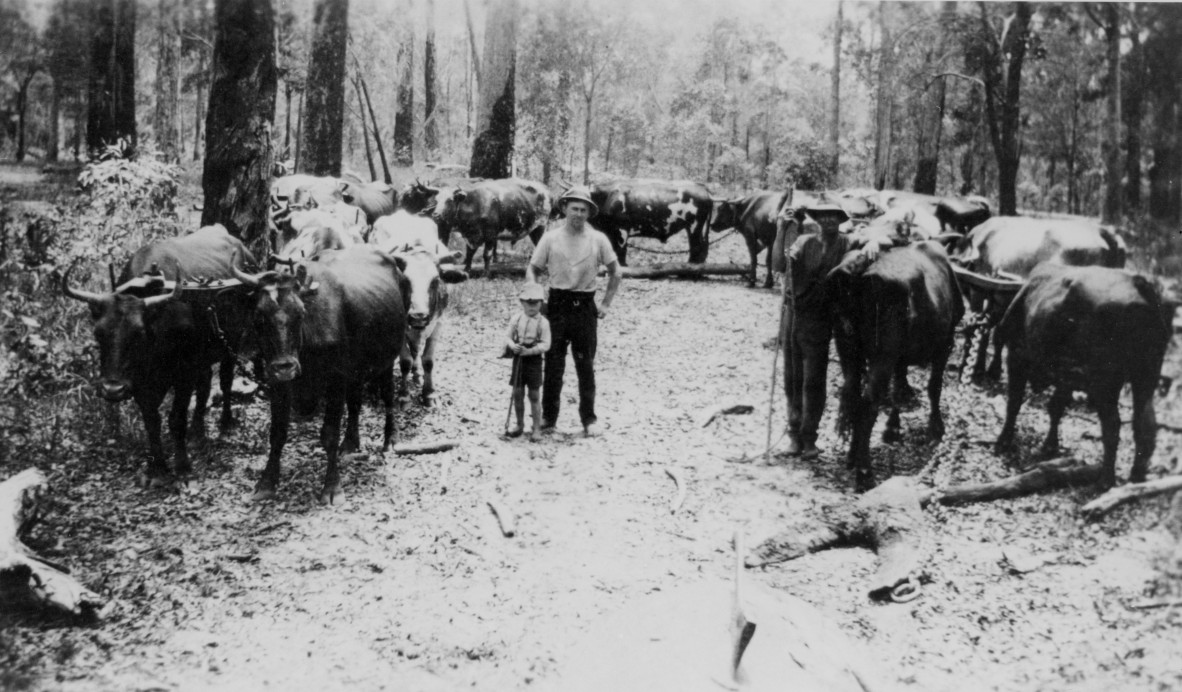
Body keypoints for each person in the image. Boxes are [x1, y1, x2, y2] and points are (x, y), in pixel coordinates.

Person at [771, 203, 879, 460]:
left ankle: (810, 438)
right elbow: (779, 264)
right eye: (824, 216)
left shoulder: (847, 242)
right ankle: (794, 436)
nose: (829, 220)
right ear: (817, 220)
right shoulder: (803, 242)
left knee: (813, 380)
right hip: (794, 314)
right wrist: (781, 229)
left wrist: (873, 242)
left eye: (834, 216)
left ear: (841, 220)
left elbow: (874, 239)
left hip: (820, 318)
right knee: (791, 379)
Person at [526, 186, 622, 437]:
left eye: (583, 210)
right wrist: (535, 296)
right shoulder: (550, 238)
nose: (578, 214)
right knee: (553, 364)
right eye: (574, 208)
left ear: (589, 212)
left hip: (585, 308)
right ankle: (548, 417)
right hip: (556, 305)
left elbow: (616, 271)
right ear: (565, 209)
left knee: (585, 365)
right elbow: (533, 269)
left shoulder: (598, 239)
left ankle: (589, 419)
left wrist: (606, 304)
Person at [503, 283, 552, 442]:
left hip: (533, 359)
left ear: (541, 303)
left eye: (536, 303)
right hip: (518, 358)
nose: (532, 307)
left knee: (534, 394)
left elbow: (546, 344)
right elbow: (508, 337)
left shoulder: (543, 322)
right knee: (517, 393)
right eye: (528, 303)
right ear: (522, 302)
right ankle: (519, 425)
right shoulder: (516, 319)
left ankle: (536, 428)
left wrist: (530, 351)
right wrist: (512, 346)